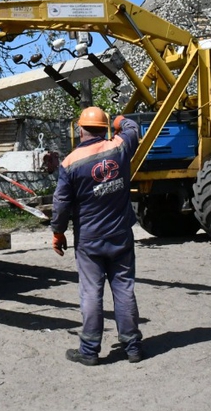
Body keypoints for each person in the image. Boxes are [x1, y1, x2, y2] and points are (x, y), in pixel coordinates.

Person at [51, 106, 144, 366]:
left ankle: (90, 351)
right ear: (104, 129)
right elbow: (133, 129)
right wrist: (120, 120)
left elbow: (60, 203)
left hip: (89, 240)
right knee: (124, 289)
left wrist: (58, 233)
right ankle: (133, 347)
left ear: (79, 129)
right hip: (120, 234)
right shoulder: (119, 147)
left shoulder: (70, 163)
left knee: (91, 292)